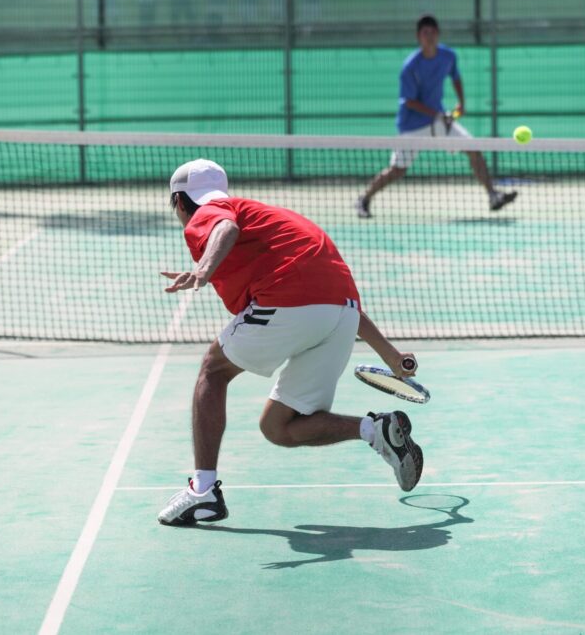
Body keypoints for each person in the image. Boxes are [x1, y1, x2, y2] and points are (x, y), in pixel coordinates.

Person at [157, 159, 425, 526]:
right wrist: (391, 356)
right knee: (278, 427)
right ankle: (376, 430)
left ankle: (202, 493)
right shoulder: (268, 218)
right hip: (341, 312)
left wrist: (204, 269)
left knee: (214, 371)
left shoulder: (212, 213)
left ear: (180, 201)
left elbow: (225, 227)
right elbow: (331, 297)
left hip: (288, 302)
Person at [356, 14, 517, 219]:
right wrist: (439, 114)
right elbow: (409, 101)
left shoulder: (448, 56)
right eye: (425, 33)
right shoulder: (410, 67)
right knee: (398, 170)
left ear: (438, 34)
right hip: (412, 125)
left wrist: (461, 103)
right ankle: (364, 198)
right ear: (418, 37)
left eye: (432, 32)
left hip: (438, 120)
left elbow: (455, 77)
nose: (429, 37)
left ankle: (493, 195)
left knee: (473, 148)